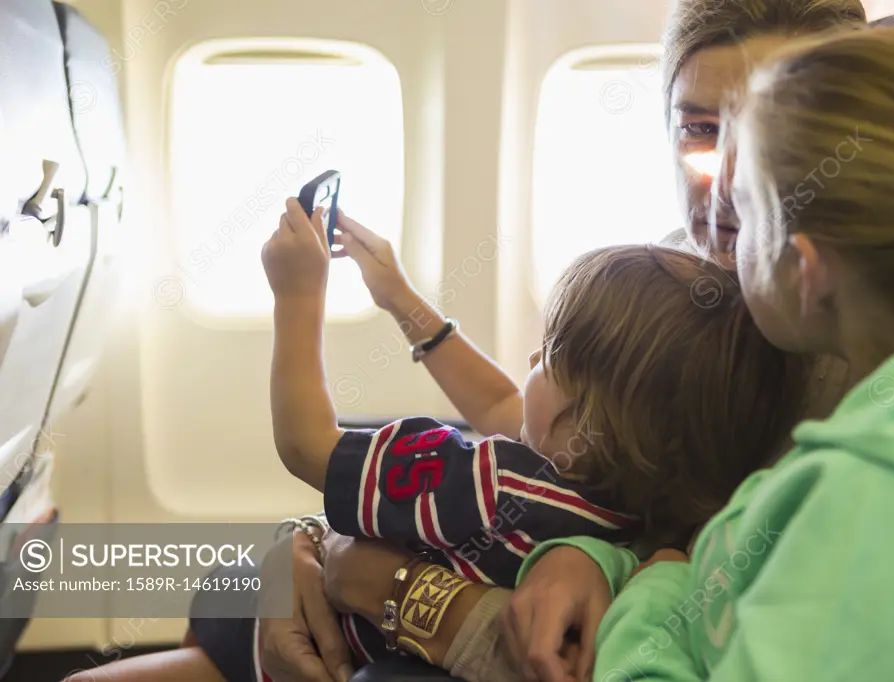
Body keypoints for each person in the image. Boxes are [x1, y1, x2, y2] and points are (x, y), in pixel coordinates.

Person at [70, 203, 811, 682]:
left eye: (549, 355)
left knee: (181, 602)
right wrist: (399, 297)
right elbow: (503, 404)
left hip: (323, 638)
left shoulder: (488, 484)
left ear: (586, 435)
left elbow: (305, 446)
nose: (528, 364)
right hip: (342, 629)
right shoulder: (624, 518)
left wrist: (297, 296)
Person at [506, 25, 894, 682]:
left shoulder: (879, 494)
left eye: (746, 207)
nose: (722, 227)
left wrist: (656, 594)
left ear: (805, 269)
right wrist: (599, 558)